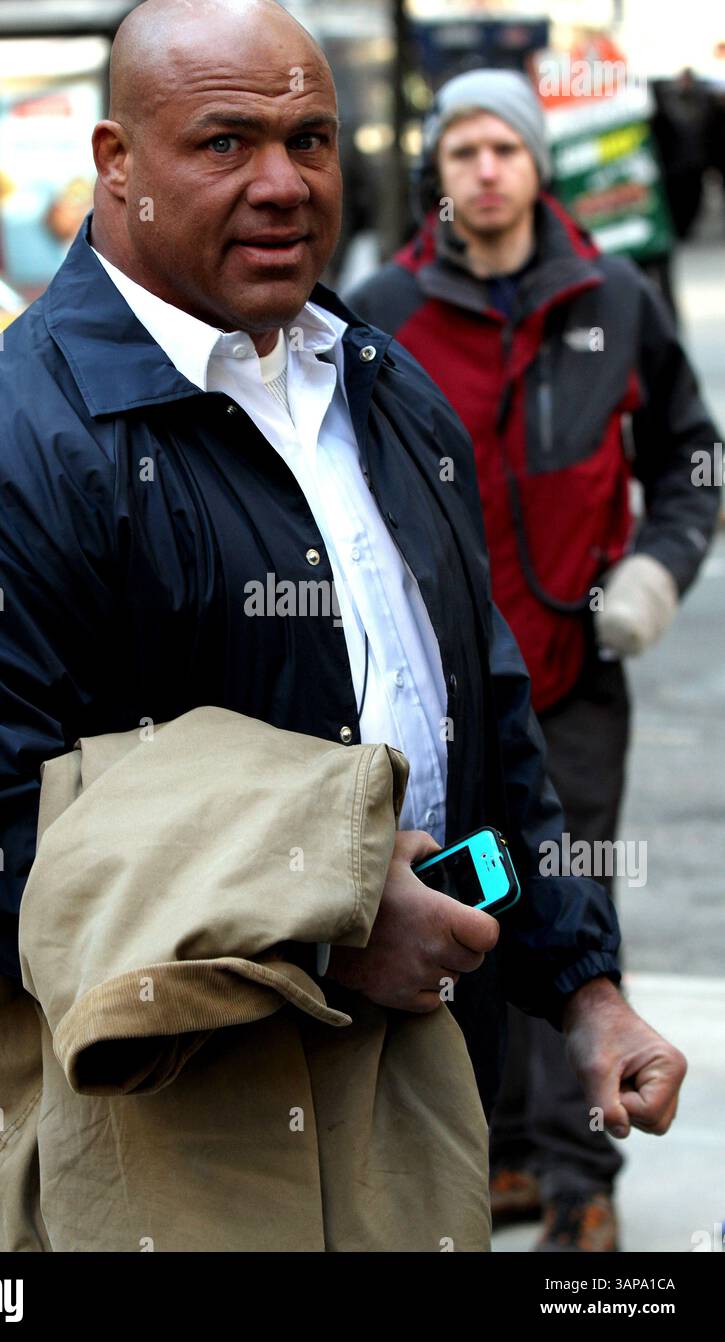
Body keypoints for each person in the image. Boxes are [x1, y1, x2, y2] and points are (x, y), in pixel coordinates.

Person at [0, 0, 687, 1248]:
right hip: (172, 1126)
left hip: (420, 1085)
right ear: (115, 163)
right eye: (222, 143)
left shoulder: (381, 387)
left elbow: (484, 719)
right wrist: (329, 935)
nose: (282, 182)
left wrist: (584, 989)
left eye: (308, 140)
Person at [346, 67, 719, 1251]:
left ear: (538, 165)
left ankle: (577, 1175)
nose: (485, 170)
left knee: (566, 907)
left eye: (504, 148)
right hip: (433, 685)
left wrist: (654, 573)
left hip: (570, 670)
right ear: (435, 178)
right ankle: (496, 1152)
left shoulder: (612, 295)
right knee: (458, 905)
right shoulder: (378, 312)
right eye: (461, 152)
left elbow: (690, 458)